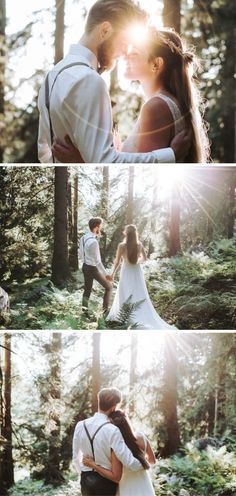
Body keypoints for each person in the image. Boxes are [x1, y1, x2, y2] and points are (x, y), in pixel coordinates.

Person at [38, 0, 191, 164]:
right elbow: (105, 161)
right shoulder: (89, 80)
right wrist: (171, 154)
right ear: (105, 31)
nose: (125, 52)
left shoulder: (51, 77)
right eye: (124, 43)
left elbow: (44, 152)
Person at [51, 26, 209, 164]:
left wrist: (81, 161)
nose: (125, 56)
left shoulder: (156, 107)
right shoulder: (164, 104)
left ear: (156, 64)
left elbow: (145, 174)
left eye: (134, 54)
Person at [72, 388, 145, 496]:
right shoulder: (113, 430)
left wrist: (83, 472)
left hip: (86, 479)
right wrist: (143, 465)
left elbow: (75, 457)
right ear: (114, 407)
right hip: (106, 481)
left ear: (99, 402)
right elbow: (128, 461)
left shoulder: (80, 425)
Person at [107, 225, 175, 329]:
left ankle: (124, 316)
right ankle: (135, 314)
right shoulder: (139, 245)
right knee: (138, 291)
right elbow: (144, 259)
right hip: (136, 270)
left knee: (125, 291)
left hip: (126, 271)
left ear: (126, 233)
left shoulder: (122, 246)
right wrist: (136, 262)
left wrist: (112, 274)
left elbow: (117, 262)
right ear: (135, 234)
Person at [83, 410, 156, 496]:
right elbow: (152, 461)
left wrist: (93, 465)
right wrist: (141, 462)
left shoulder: (117, 448)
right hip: (144, 484)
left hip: (127, 487)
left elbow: (115, 477)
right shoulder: (141, 437)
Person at [80, 217, 112, 314]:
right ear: (96, 227)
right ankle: (105, 311)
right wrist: (106, 274)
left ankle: (84, 312)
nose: (101, 229)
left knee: (87, 290)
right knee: (109, 287)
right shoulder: (94, 242)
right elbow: (98, 261)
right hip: (92, 269)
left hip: (84, 266)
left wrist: (85, 261)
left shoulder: (83, 238)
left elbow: (80, 253)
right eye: (100, 226)